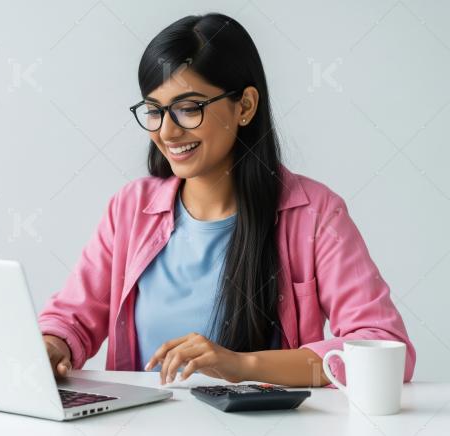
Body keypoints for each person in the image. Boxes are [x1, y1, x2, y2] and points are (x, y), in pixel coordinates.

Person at [38, 12, 415, 387]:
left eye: (189, 108)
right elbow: (70, 319)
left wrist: (241, 365)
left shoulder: (315, 214)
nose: (167, 131)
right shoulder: (129, 209)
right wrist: (52, 344)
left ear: (246, 106)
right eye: (154, 111)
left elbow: (386, 351)